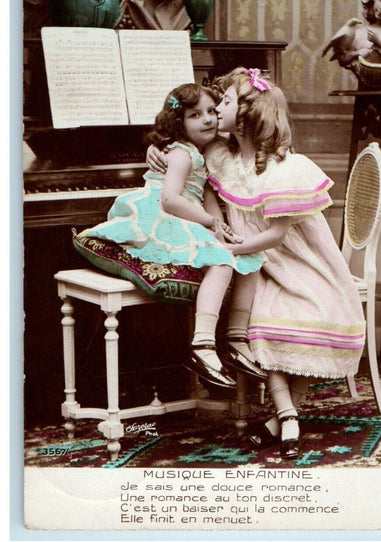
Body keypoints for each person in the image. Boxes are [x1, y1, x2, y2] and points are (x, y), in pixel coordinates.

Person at [147, 68, 366, 459]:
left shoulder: (284, 167)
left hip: (299, 259)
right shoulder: (217, 154)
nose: (213, 114)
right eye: (210, 109)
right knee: (266, 323)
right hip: (257, 261)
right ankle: (288, 416)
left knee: (311, 311)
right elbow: (183, 145)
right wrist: (158, 150)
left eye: (223, 105)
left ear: (244, 115)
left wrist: (232, 250)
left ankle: (284, 418)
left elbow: (279, 235)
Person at [77, 83, 265, 390]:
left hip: (185, 214)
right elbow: (170, 199)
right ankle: (203, 345)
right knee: (221, 262)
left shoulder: (200, 152)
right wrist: (209, 223)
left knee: (249, 256)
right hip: (162, 216)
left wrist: (221, 229)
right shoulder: (181, 153)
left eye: (211, 112)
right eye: (195, 115)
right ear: (179, 124)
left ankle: (236, 338)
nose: (208, 119)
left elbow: (205, 198)